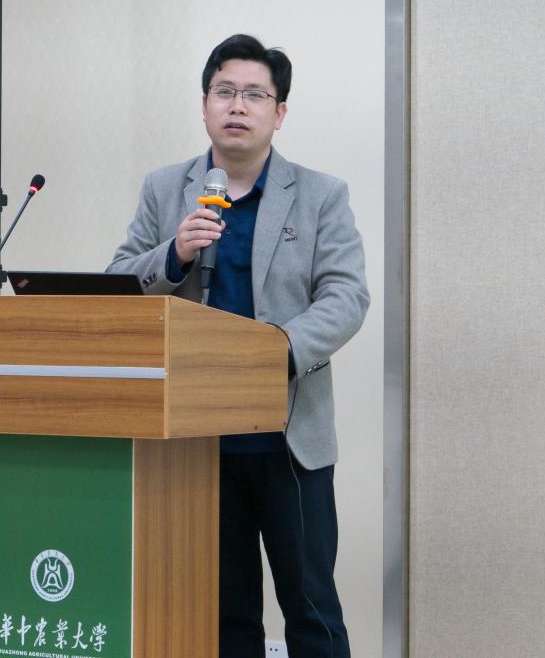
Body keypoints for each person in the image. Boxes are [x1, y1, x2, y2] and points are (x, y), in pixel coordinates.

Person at [107, 34, 369, 658]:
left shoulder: (321, 194)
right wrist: (175, 253)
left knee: (312, 609)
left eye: (255, 94)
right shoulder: (166, 188)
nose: (237, 105)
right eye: (224, 91)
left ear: (280, 113)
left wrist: (274, 354)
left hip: (289, 437)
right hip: (197, 440)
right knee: (222, 616)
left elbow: (346, 296)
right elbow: (117, 281)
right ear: (205, 105)